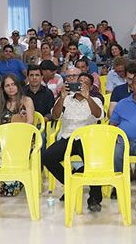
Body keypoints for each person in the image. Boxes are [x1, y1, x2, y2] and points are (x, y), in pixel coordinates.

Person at [41, 72, 105, 212]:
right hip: (67, 137)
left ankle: (94, 198)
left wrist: (88, 98)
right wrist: (62, 98)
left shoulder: (95, 99)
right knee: (46, 156)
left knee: (93, 163)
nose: (81, 85)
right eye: (79, 82)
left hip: (87, 139)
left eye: (85, 83)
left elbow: (99, 115)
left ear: (90, 87)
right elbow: (55, 116)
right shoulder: (66, 99)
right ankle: (70, 182)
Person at [0, 74, 34, 196]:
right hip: (5, 140)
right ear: (3, 89)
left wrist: (16, 133)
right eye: (7, 85)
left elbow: (30, 122)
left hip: (23, 139)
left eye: (13, 84)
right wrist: (4, 132)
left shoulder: (27, 101)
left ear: (18, 86)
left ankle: (12, 185)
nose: (11, 88)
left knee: (16, 151)